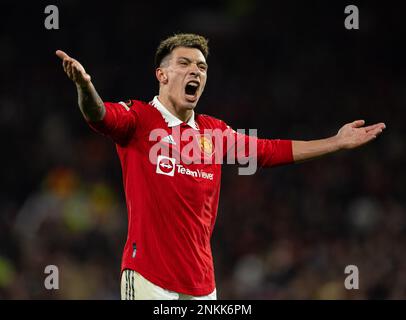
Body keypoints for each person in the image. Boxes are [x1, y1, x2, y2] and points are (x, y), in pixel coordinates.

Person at [56, 33, 385, 300]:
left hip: (202, 285)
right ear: (162, 74)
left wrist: (336, 142)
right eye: (184, 63)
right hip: (148, 278)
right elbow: (98, 115)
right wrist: (85, 86)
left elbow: (268, 151)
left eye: (201, 66)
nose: (195, 71)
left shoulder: (215, 133)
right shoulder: (140, 119)